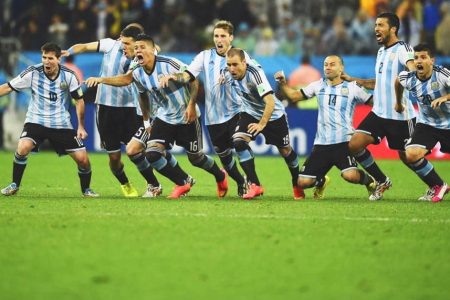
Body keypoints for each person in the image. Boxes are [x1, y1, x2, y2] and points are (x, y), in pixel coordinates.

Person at [85, 34, 228, 199]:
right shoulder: (137, 72)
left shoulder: (169, 64)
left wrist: (190, 105)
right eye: (136, 48)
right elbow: (142, 95)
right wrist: (146, 121)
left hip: (186, 116)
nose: (138, 50)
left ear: (153, 50)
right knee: (151, 154)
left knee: (196, 158)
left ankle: (220, 175)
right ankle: (182, 183)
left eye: (142, 47)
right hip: (164, 116)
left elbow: (193, 80)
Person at [63, 24, 161, 198]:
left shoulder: (140, 56)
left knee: (138, 150)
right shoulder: (110, 45)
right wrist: (69, 51)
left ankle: (153, 184)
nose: (122, 45)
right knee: (114, 159)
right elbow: (85, 46)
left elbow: (126, 80)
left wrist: (100, 79)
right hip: (106, 109)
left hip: (131, 109)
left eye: (126, 43)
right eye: (121, 41)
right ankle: (125, 183)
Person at [159, 20, 249, 198]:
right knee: (225, 158)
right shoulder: (204, 56)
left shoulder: (240, 56)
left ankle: (253, 183)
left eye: (223, 36)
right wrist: (173, 76)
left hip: (237, 111)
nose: (219, 39)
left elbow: (252, 77)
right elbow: (188, 75)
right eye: (216, 36)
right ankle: (240, 180)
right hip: (213, 117)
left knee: (240, 145)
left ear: (231, 37)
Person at [0, 42, 98, 197]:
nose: (46, 61)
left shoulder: (69, 75)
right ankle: (14, 185)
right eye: (44, 57)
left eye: (50, 58)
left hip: (61, 123)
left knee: (83, 160)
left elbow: (79, 100)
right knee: (23, 147)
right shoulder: (32, 72)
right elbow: (7, 87)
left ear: (59, 59)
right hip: (36, 120)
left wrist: (80, 126)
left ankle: (86, 190)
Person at [275, 55, 377, 199]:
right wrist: (283, 83)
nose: (327, 67)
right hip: (322, 144)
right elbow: (294, 96)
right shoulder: (317, 85)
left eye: (332, 64)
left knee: (350, 176)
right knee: (302, 182)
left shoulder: (353, 88)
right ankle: (322, 181)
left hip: (344, 143)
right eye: (325, 64)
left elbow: (376, 104)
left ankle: (370, 181)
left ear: (341, 68)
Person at [342, 12, 416, 201]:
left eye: (381, 25)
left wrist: (413, 73)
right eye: (375, 25)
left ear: (393, 29)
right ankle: (382, 180)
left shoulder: (403, 48)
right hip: (378, 113)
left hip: (400, 115)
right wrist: (354, 80)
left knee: (409, 158)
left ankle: (437, 184)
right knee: (354, 145)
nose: (376, 28)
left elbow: (412, 70)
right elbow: (379, 82)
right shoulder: (381, 51)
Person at [224, 48, 302, 200]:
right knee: (238, 142)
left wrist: (261, 124)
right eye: (229, 65)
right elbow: (224, 72)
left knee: (285, 150)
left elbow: (270, 102)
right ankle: (255, 185)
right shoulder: (227, 71)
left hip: (273, 115)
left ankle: (296, 182)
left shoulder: (255, 75)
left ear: (244, 62)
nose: (231, 69)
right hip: (250, 112)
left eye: (235, 65)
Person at [395, 43, 450, 202]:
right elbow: (398, 82)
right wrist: (398, 103)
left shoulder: (442, 74)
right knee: (410, 154)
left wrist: (444, 98)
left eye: (423, 57)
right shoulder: (409, 78)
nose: (419, 61)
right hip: (427, 124)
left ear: (431, 60)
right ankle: (438, 185)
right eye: (416, 57)